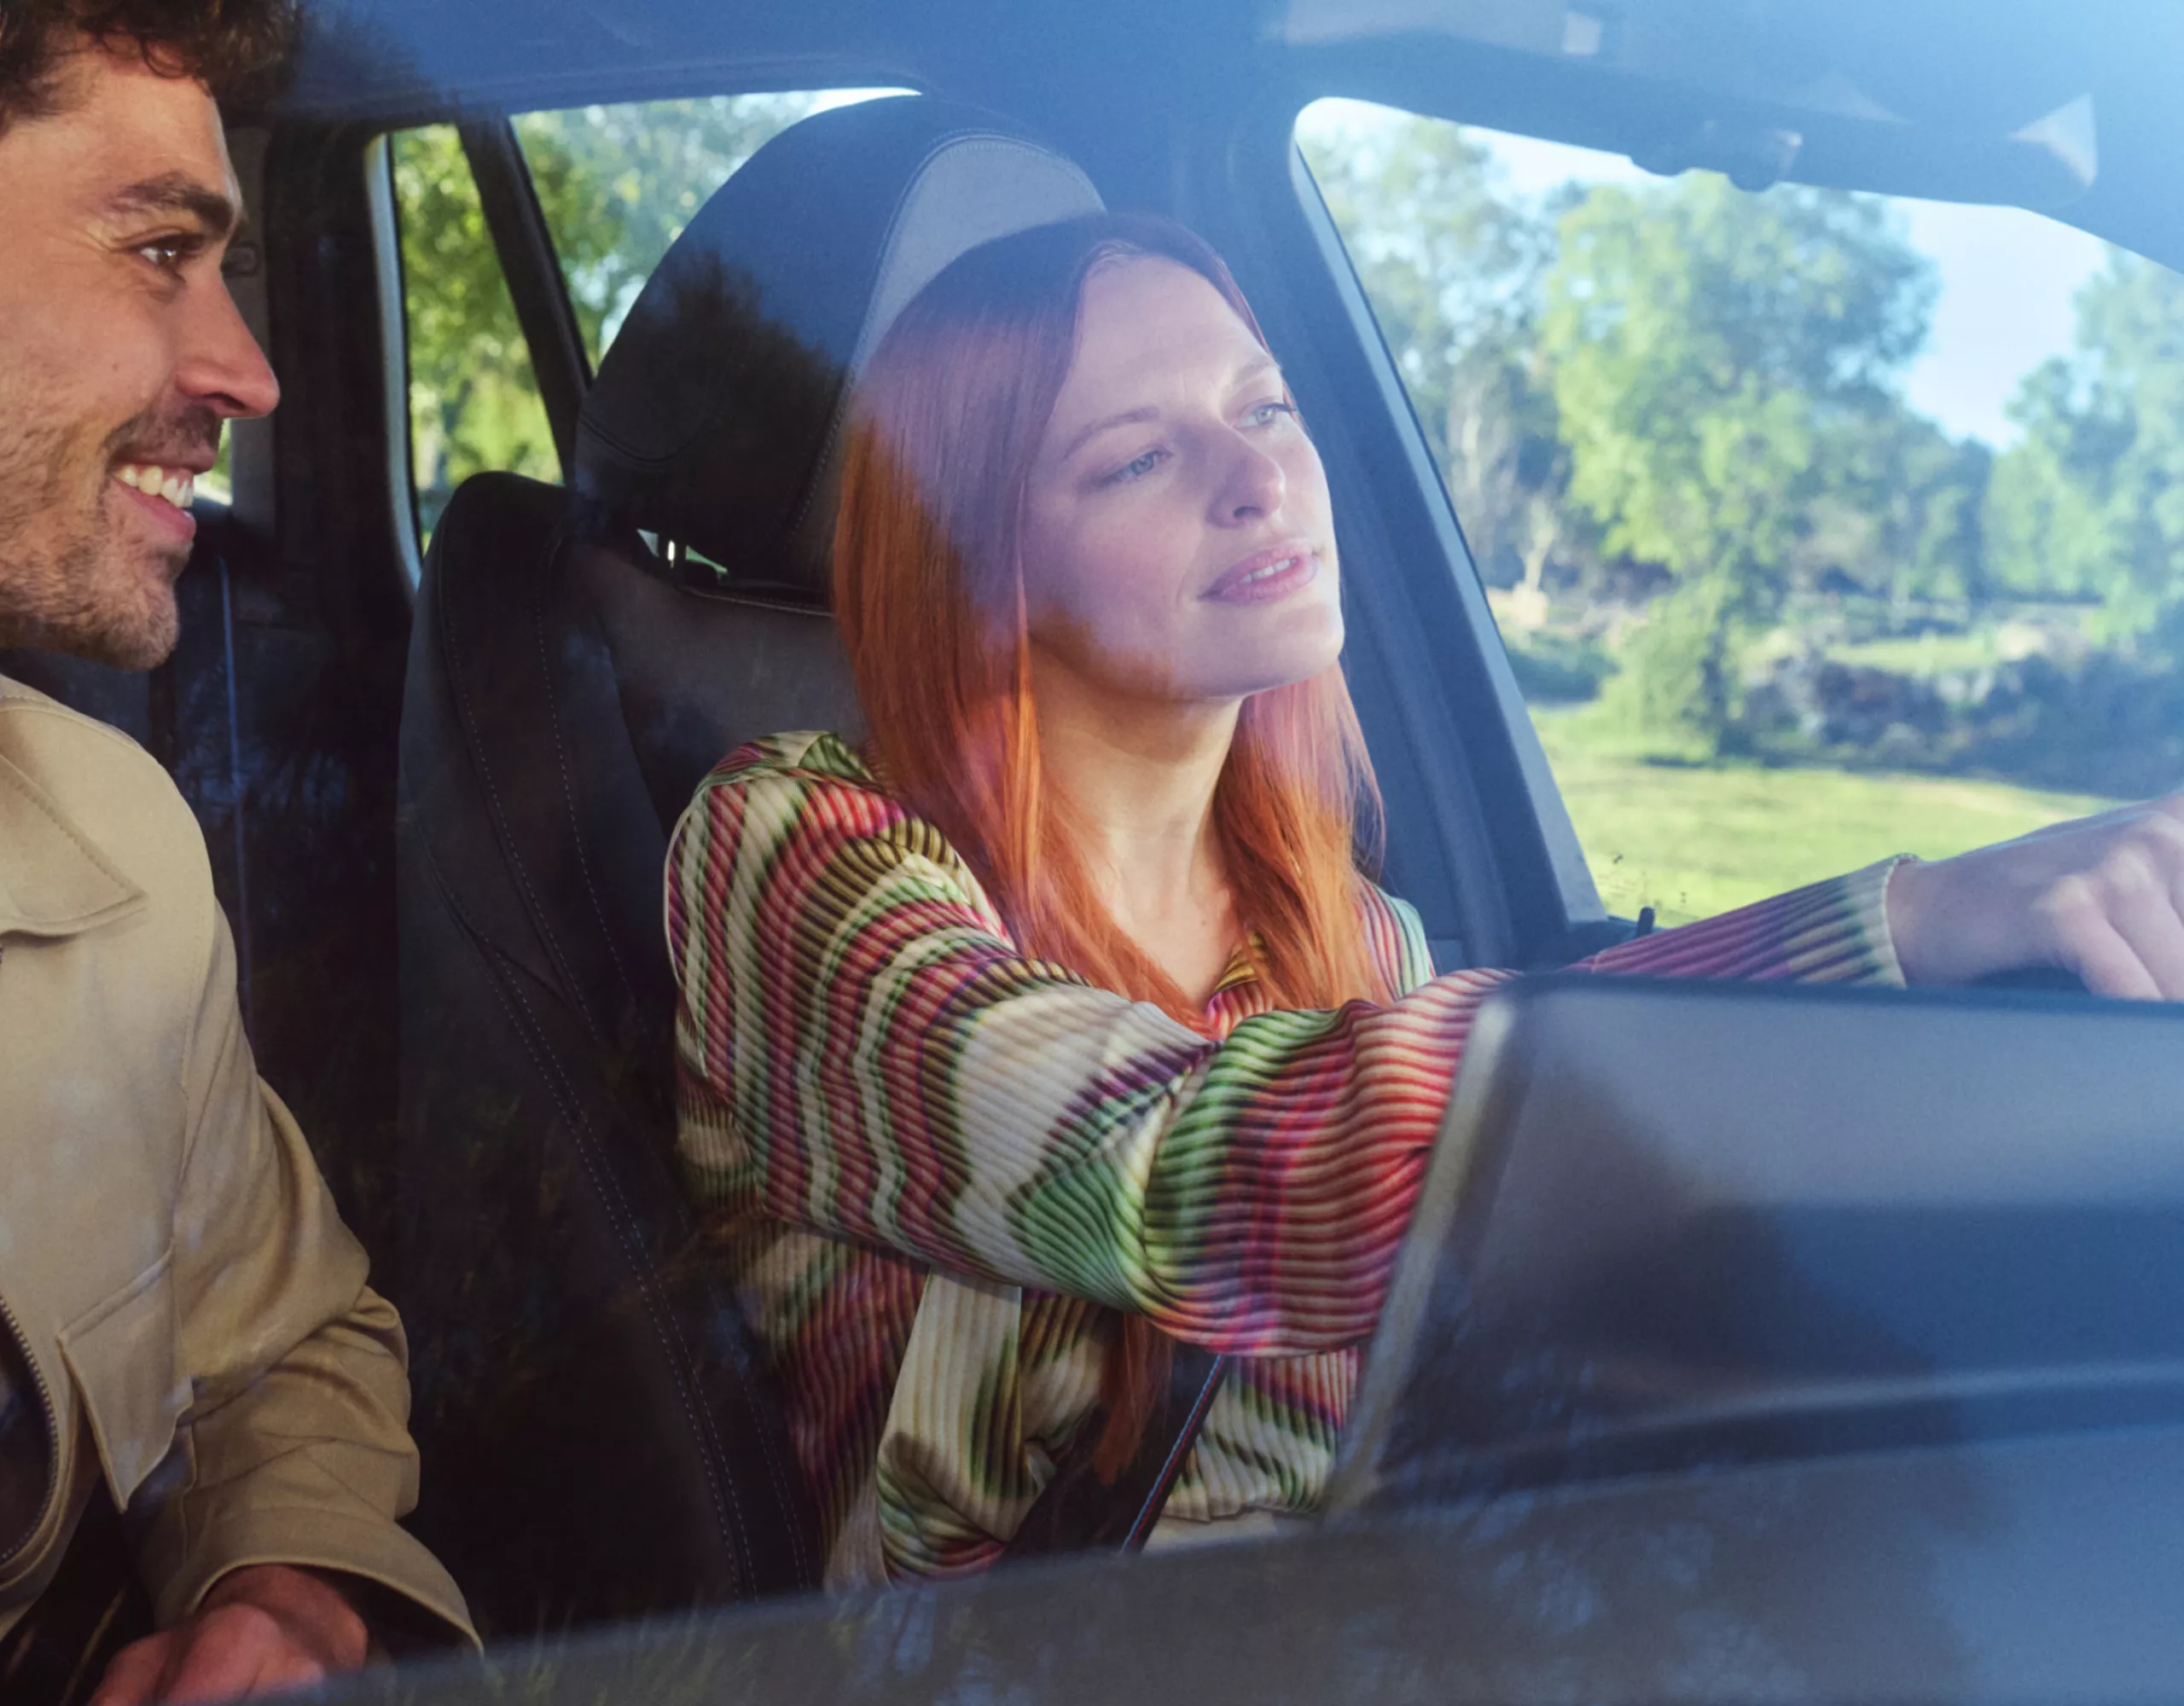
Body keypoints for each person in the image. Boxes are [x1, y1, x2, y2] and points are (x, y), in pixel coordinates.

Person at [665, 212, 2184, 1588]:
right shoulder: (795, 850)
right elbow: (1171, 1168)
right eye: (1137, 457)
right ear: (974, 564)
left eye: (1265, 407)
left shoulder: (1353, 936)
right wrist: (1896, 933)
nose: (1261, 477)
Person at [0, 3, 474, 1700]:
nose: (247, 373)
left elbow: (276, 1344)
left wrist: (289, 1594)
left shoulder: (120, 844)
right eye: (156, 250)